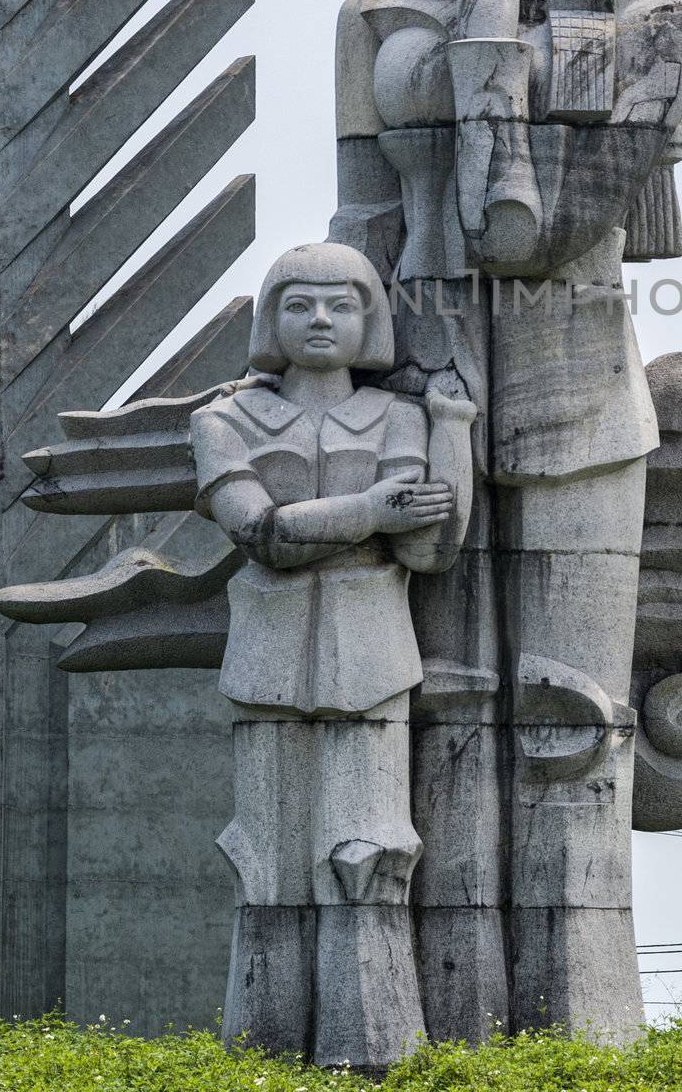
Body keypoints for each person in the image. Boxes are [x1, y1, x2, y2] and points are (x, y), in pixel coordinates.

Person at [330, 0, 682, 1041]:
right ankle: (430, 1019)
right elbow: (362, 215)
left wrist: (499, 50)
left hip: (573, 384)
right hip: (413, 390)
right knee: (431, 705)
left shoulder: (659, 10)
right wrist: (335, 380)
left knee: (566, 710)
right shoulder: (380, 9)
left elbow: (549, 228)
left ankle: (580, 1031)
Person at [190, 241, 474, 1073]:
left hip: (375, 658)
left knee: (369, 855)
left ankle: (373, 1049)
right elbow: (261, 533)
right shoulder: (223, 419)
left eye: (341, 304)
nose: (320, 320)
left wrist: (451, 434)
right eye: (300, 304)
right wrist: (369, 511)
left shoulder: (399, 418)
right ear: (270, 319)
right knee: (264, 859)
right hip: (268, 659)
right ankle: (260, 1055)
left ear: (369, 320)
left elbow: (428, 551)